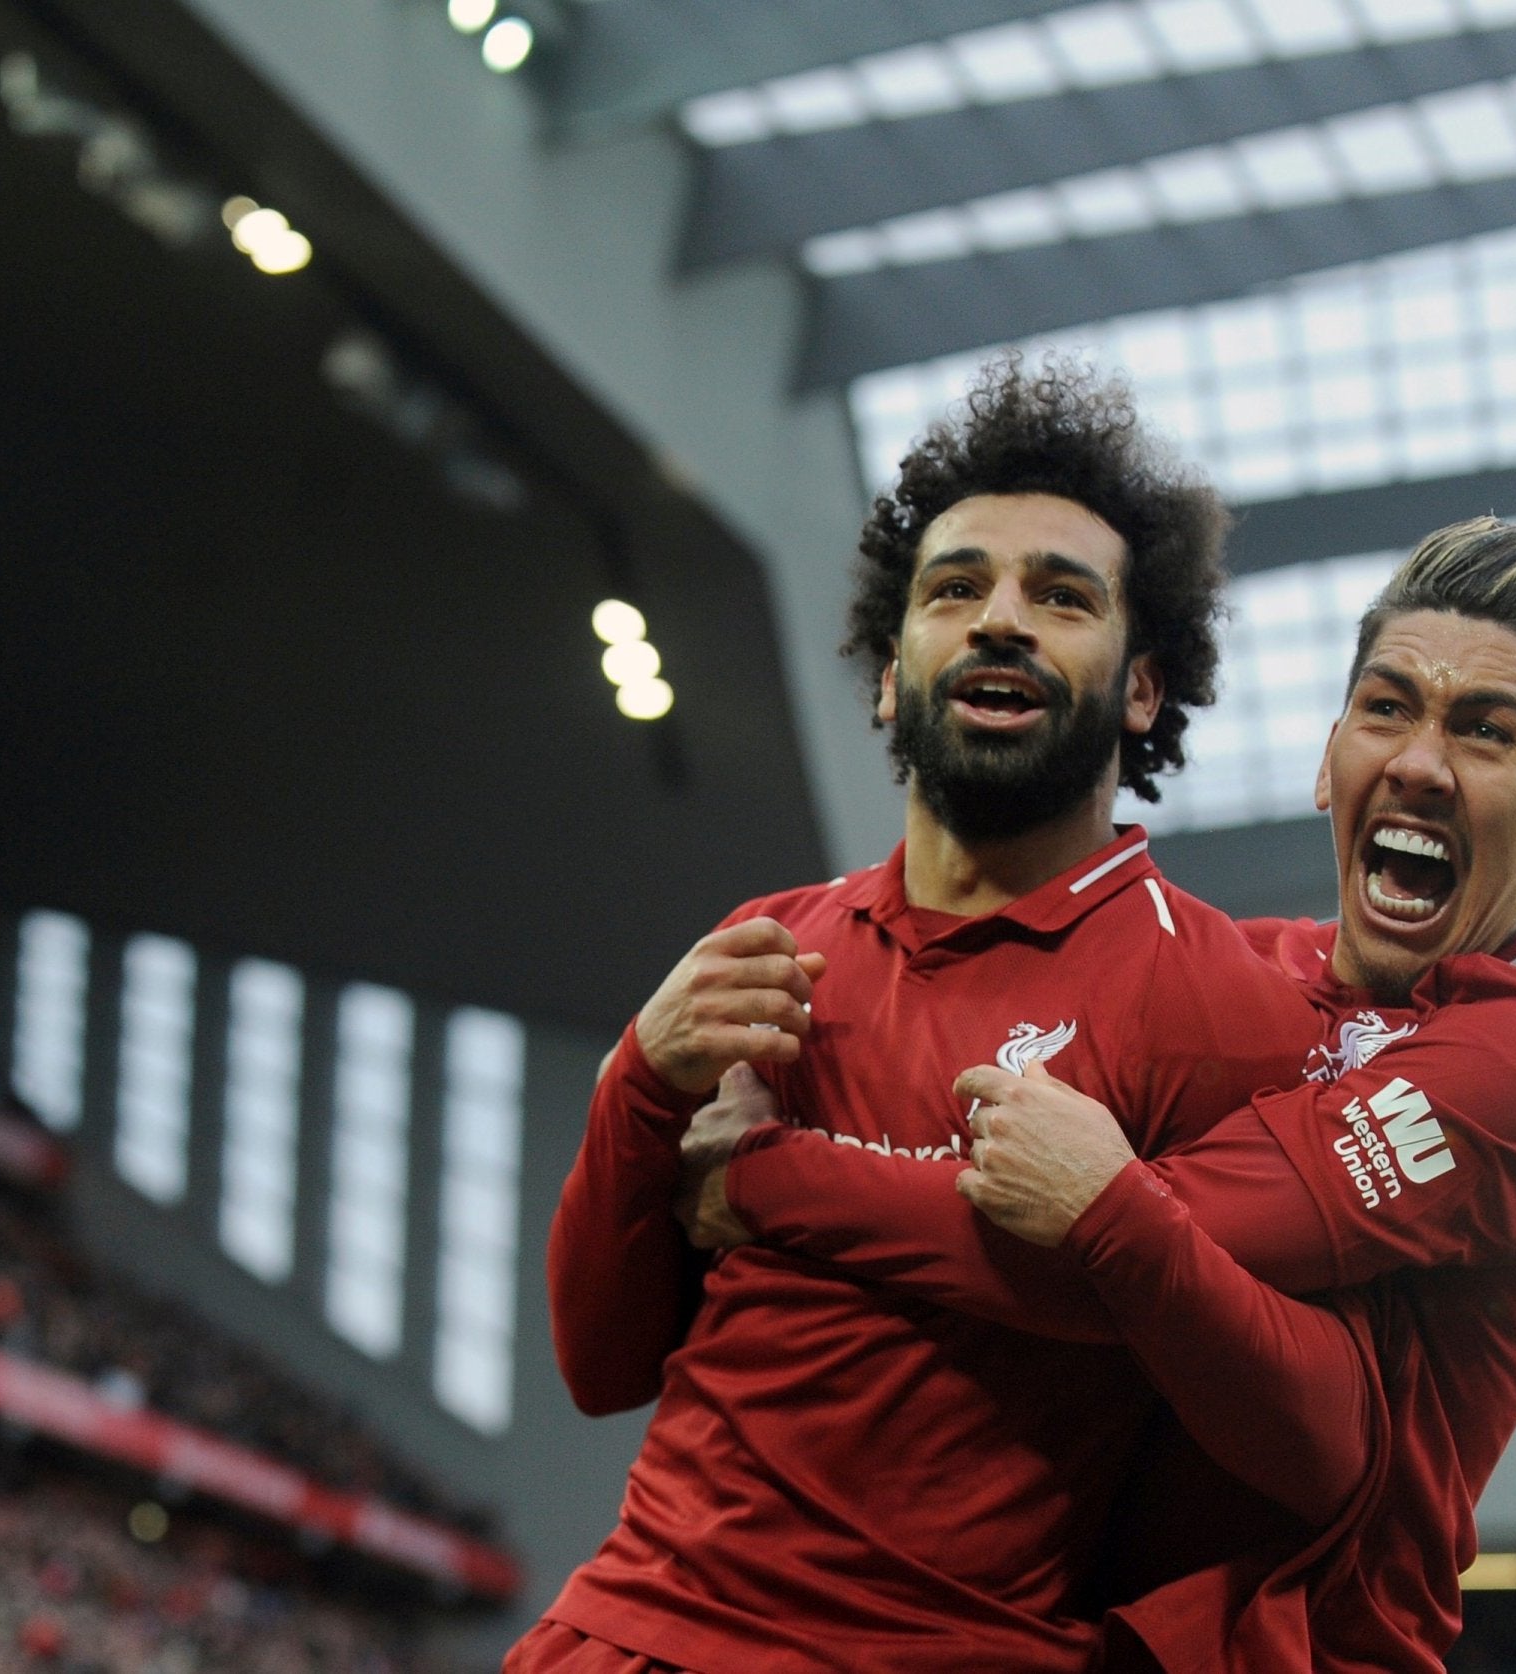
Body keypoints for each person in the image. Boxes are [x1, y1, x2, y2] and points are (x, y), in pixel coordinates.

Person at [509, 357, 1386, 1674]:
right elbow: (600, 1360)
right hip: (626, 1633)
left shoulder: (1223, 1006)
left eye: (1062, 595)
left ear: (1143, 689)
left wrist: (1114, 1223)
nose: (999, 620)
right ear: (889, 671)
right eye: (955, 587)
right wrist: (637, 1080)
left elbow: (1328, 1440)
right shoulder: (773, 948)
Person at [690, 515, 1516, 1670]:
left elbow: (1077, 1231)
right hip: (1055, 1627)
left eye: (1486, 733)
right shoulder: (1240, 973)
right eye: (1387, 710)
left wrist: (762, 1173)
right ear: (1329, 753)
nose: (1422, 763)